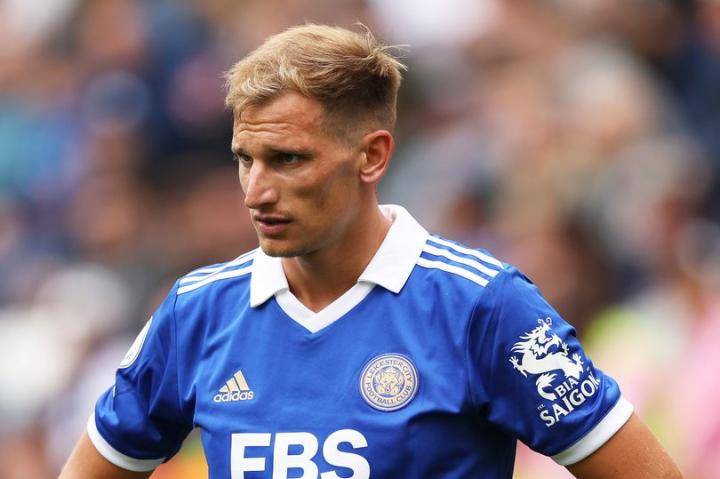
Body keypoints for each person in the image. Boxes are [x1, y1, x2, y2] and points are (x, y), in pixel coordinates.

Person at [60, 24, 682, 479]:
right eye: (246, 159)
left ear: (373, 156)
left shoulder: (482, 307)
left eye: (288, 159)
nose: (256, 191)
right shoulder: (197, 312)